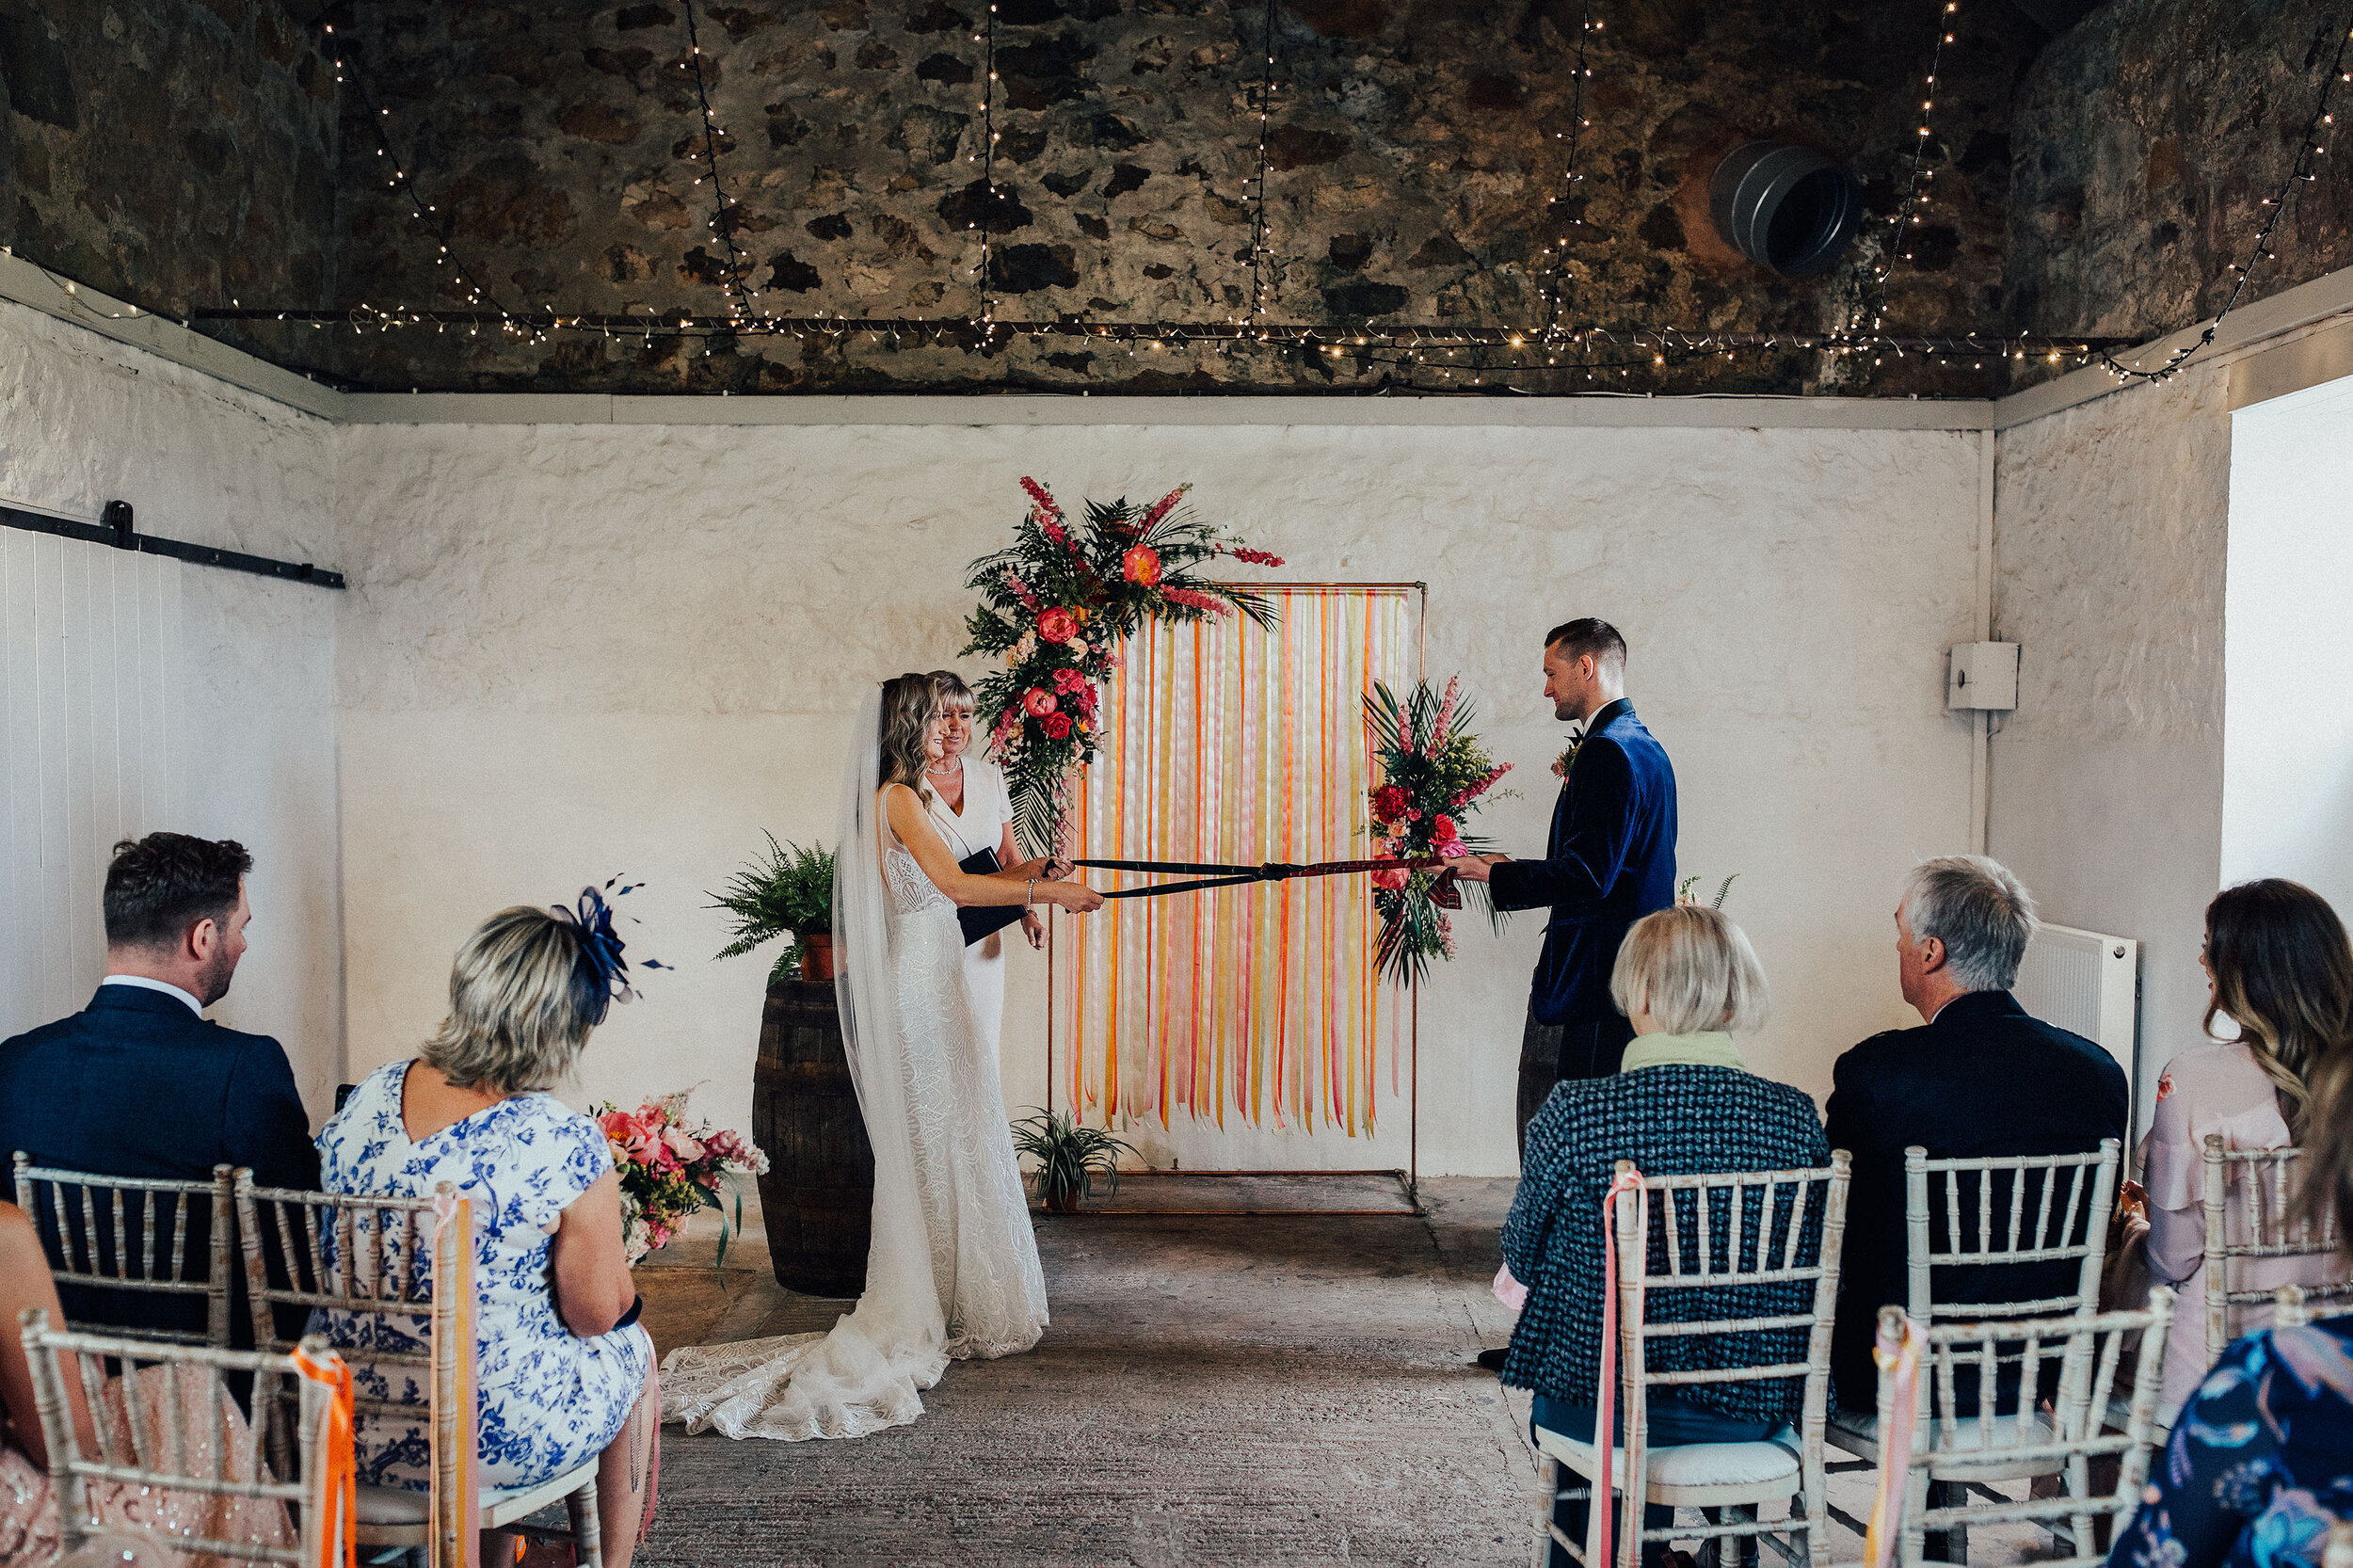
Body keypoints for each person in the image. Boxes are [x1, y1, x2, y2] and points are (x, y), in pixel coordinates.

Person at [662, 672, 1105, 1442]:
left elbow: (993, 870)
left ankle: (969, 1290)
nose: (953, 730)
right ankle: (923, 1294)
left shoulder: (959, 785)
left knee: (970, 1121)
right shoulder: (896, 798)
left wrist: (1041, 877)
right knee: (935, 1133)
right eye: (938, 720)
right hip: (919, 979)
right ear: (907, 726)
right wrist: (1051, 899)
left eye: (960, 718)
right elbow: (949, 884)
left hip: (962, 974)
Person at [311, 898, 658, 1566]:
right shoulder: (561, 1138)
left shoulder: (367, 1099)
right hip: (480, 1441)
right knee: (631, 1351)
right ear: (566, 1029)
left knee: (499, 1345)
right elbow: (593, 1314)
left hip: (340, 1419)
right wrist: (625, 1303)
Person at [1501, 905, 1829, 1568]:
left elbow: (1522, 1256)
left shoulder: (1578, 1112)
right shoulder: (1794, 1119)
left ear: (1639, 991)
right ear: (1736, 996)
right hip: (1750, 1414)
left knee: (1585, 1383)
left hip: (1599, 1413)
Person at [1823, 856, 2129, 1409]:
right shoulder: (2098, 1073)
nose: (1897, 947)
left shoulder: (1876, 1073)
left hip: (1902, 1370)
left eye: (1901, 932)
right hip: (2046, 1366)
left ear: (1931, 951)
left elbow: (1838, 1228)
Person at [0, 833, 317, 1341]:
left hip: (48, 1394)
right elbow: (294, 1256)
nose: (243, 944)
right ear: (204, 937)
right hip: (202, 1391)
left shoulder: (15, 1061)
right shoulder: (245, 1065)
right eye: (241, 928)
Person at [2104, 1031, 2353, 1568]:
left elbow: (2174, 1259)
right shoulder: (2338, 1067)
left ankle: (2078, 1518)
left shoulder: (2259, 1381)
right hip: (2333, 1319)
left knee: (2109, 1335)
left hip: (2218, 1349)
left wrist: (2134, 1230)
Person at [1453, 617, 1678, 1141]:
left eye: (1552, 673)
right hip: (1633, 968)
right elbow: (1616, 864)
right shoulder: (1646, 746)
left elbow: (1589, 875)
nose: (1546, 688)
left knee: (1569, 1126)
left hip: (1594, 977)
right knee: (1606, 1125)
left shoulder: (1606, 751)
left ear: (1586, 666)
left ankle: (1562, 1223)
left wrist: (1499, 876)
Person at [2141, 879, 2353, 1416]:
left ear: (2243, 969)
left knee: (2115, 1308)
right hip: (2338, 1357)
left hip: (2225, 1359)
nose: (2200, 959)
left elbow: (2174, 1257)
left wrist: (2136, 1229)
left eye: (2210, 944)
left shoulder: (2189, 1076)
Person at [2, 1200, 291, 1565]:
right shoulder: (4, 1231)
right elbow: (64, 1446)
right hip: (25, 1515)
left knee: (187, 1384)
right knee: (198, 1396)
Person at [921, 669, 1054, 1066]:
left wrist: (1027, 914)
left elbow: (1010, 857)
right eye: (945, 715)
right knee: (938, 1051)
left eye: (964, 715)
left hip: (985, 938)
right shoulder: (906, 784)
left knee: (981, 1050)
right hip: (932, 932)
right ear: (926, 719)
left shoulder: (989, 776)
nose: (956, 726)